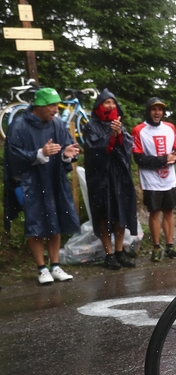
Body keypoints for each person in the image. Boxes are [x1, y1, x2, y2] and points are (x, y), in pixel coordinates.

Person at [3, 87, 80, 284]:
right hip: (31, 183)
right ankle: (41, 268)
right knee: (35, 223)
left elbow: (66, 146)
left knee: (56, 221)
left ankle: (55, 265)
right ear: (39, 106)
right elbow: (13, 156)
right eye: (52, 105)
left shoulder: (57, 124)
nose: (56, 109)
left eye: (56, 105)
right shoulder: (19, 125)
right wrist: (40, 153)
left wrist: (66, 154)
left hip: (54, 179)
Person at [82, 89, 138, 270]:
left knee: (119, 214)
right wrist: (111, 138)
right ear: (99, 105)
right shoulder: (91, 126)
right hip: (100, 179)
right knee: (103, 214)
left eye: (113, 103)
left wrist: (119, 136)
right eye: (107, 103)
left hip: (119, 178)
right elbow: (93, 150)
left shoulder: (119, 125)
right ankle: (109, 253)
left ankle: (120, 251)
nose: (111, 106)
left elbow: (128, 149)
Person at [132, 97, 176, 262]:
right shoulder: (139, 130)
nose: (157, 113)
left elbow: (175, 149)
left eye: (160, 110)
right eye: (154, 109)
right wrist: (163, 159)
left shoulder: (170, 128)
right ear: (148, 111)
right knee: (154, 212)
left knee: (169, 211)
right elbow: (138, 158)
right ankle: (156, 247)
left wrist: (174, 157)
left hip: (168, 179)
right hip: (151, 180)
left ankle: (170, 245)